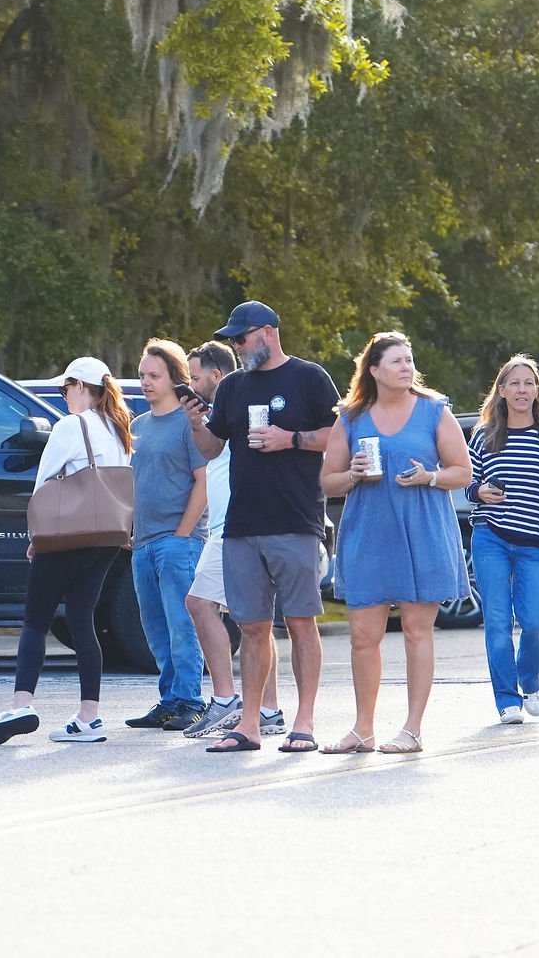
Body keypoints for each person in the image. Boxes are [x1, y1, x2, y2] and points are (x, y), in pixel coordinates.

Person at [183, 301, 337, 754]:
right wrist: (196, 424)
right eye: (232, 338)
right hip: (241, 526)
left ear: (269, 332)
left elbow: (336, 435)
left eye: (242, 336)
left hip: (295, 520)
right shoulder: (232, 386)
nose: (236, 344)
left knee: (301, 623)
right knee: (251, 626)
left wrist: (289, 439)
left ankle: (304, 722)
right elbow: (212, 448)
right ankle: (249, 724)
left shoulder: (309, 378)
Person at [318, 332, 471, 755]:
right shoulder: (350, 416)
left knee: (416, 630)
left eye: (409, 359)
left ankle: (412, 729)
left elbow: (463, 471)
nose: (406, 367)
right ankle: (362, 729)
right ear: (374, 370)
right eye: (397, 361)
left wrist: (431, 477)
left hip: (422, 529)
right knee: (363, 635)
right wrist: (351, 474)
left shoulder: (433, 411)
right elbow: (327, 480)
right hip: (369, 531)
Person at [0, 356, 135, 746]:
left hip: (68, 534)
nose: (62, 395)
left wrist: (37, 535)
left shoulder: (71, 426)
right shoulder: (119, 430)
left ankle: (22, 704)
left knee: (36, 619)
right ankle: (89, 717)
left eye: (65, 388)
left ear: (82, 387)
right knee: (82, 619)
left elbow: (45, 483)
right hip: (106, 538)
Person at [180, 340, 285, 741]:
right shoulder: (216, 415)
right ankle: (269, 709)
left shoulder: (235, 408)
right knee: (255, 622)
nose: (190, 384)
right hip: (226, 527)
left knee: (203, 603)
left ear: (217, 376)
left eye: (195, 377)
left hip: (238, 528)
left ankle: (227, 699)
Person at [467, 355, 539, 725]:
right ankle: (506, 699)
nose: (522, 389)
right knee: (497, 621)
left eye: (529, 383)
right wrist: (479, 491)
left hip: (536, 543)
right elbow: (467, 480)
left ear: (537, 390)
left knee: (536, 621)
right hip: (490, 537)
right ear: (501, 390)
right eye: (514, 383)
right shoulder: (484, 434)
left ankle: (529, 677)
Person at [123, 339, 209, 732]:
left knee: (181, 624)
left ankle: (192, 700)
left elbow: (203, 482)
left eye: (153, 375)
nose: (145, 382)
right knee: (155, 627)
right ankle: (169, 699)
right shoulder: (137, 427)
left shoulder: (189, 424)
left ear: (176, 378)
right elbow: (132, 484)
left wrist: (182, 534)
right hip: (142, 542)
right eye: (142, 375)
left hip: (179, 541)